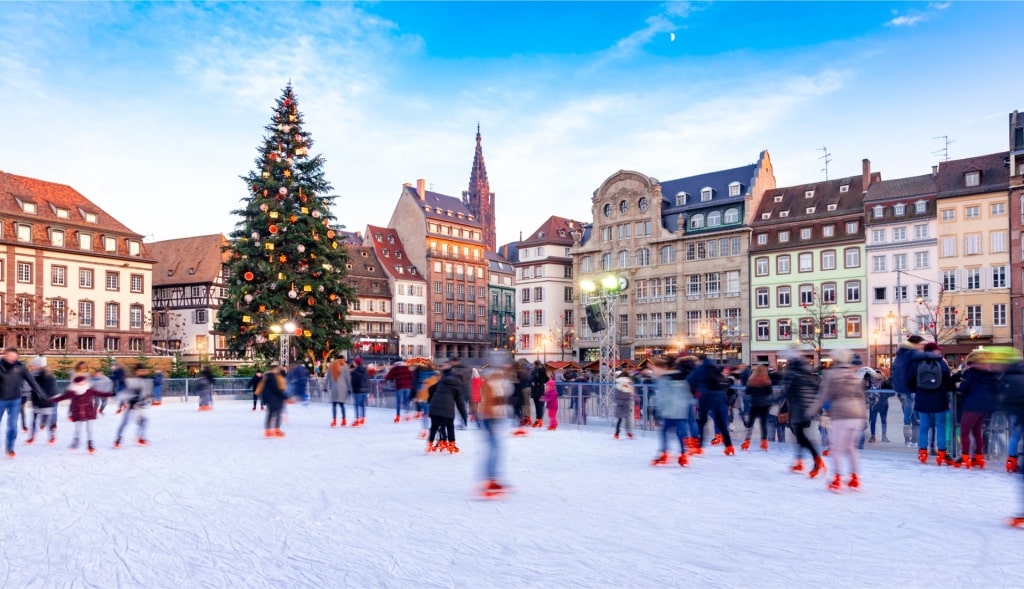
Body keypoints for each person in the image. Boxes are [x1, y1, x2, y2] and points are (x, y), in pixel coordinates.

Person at [808, 350, 867, 492]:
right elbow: (861, 397)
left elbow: (823, 396)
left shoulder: (831, 374)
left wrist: (810, 411)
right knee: (851, 447)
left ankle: (837, 479)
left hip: (841, 415)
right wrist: (864, 417)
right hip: (857, 415)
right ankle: (854, 478)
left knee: (836, 448)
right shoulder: (853, 375)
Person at [781, 350, 826, 478]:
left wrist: (773, 400)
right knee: (800, 435)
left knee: (801, 437)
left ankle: (817, 460)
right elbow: (818, 387)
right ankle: (800, 461)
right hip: (808, 409)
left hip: (798, 409)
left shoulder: (793, 374)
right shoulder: (808, 373)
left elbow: (787, 392)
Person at [48, 373, 113, 453]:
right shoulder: (72, 391)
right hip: (78, 412)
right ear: (76, 383)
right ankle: (76, 441)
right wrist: (51, 400)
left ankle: (90, 443)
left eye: (83, 381)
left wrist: (110, 394)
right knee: (77, 429)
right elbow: (62, 397)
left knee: (89, 429)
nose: (82, 383)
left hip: (88, 411)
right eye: (80, 382)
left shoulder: (89, 390)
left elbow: (99, 393)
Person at [910, 342, 952, 465]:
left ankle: (923, 452)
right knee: (940, 426)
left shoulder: (917, 363)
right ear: (933, 351)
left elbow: (911, 380)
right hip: (939, 399)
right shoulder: (941, 363)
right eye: (937, 350)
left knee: (924, 426)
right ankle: (942, 452)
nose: (939, 352)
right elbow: (948, 381)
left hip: (922, 399)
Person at [955, 350, 998, 469]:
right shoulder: (989, 372)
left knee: (964, 432)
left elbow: (963, 388)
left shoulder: (970, 372)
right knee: (977, 432)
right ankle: (979, 456)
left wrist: (958, 385)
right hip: (984, 406)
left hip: (972, 405)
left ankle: (965, 456)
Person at [0, 346, 45, 458]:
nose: (12, 358)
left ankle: (10, 448)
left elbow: (32, 381)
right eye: (10, 356)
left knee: (12, 426)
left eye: (14, 356)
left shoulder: (20, 367)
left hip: (15, 400)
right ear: (5, 355)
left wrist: (41, 393)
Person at [478, 355, 512, 498]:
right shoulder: (493, 380)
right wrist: (490, 415)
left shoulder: (498, 379)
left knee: (495, 449)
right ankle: (489, 480)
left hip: (493, 417)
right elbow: (489, 400)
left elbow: (502, 398)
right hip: (489, 418)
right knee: (494, 449)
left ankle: (492, 478)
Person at [650, 357, 694, 467]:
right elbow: (687, 393)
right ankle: (683, 455)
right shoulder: (682, 377)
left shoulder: (665, 379)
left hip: (669, 410)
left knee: (664, 431)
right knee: (680, 434)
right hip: (681, 410)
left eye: (655, 369)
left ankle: (664, 453)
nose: (653, 371)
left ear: (662, 368)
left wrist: (657, 411)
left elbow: (662, 396)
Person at [687, 355, 735, 455]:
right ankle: (729, 446)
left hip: (705, 397)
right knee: (721, 423)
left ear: (700, 361)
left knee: (702, 421)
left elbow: (689, 381)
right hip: (719, 397)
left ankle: (699, 447)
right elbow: (722, 381)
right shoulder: (714, 368)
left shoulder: (699, 369)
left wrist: (695, 390)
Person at [426, 360, 468, 453]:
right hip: (448, 409)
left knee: (434, 427)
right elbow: (460, 403)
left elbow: (430, 388)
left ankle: (429, 446)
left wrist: (430, 400)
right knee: (450, 426)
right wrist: (464, 416)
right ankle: (452, 445)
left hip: (434, 407)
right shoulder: (458, 387)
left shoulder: (442, 381)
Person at [893, 335, 925, 447]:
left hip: (902, 389)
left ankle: (909, 440)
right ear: (915, 344)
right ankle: (914, 441)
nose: (922, 347)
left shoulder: (901, 354)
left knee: (911, 416)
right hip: (911, 388)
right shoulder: (912, 353)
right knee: (917, 417)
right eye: (921, 344)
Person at [114, 363, 154, 447]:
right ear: (136, 372)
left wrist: (148, 398)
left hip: (140, 407)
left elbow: (146, 394)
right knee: (125, 423)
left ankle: (140, 437)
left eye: (144, 371)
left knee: (144, 421)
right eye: (140, 371)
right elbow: (124, 390)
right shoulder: (133, 381)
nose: (143, 372)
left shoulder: (145, 381)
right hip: (132, 407)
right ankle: (118, 439)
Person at [740, 364, 773, 451]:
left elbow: (747, 392)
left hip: (754, 404)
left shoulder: (752, 380)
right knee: (763, 424)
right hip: (765, 405)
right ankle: (764, 443)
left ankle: (747, 441)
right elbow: (770, 392)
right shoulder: (767, 381)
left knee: (750, 423)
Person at [26, 357, 58, 445]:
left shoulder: (48, 375)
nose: (31, 367)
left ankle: (52, 436)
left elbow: (51, 390)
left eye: (33, 366)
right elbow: (32, 388)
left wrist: (45, 399)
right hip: (36, 401)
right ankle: (32, 436)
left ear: (38, 366)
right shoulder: (32, 375)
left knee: (48, 419)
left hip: (46, 402)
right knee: (33, 420)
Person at [256, 363, 288, 437]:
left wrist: (257, 392)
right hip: (276, 397)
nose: (279, 370)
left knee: (270, 414)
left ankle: (268, 431)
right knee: (277, 414)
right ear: (274, 369)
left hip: (270, 398)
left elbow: (261, 385)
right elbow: (277, 388)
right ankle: (276, 431)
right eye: (277, 368)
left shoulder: (267, 376)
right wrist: (285, 397)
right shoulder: (273, 377)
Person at [327, 353, 352, 427]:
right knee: (342, 405)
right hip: (343, 388)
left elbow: (327, 377)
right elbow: (348, 379)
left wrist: (325, 386)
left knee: (334, 405)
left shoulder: (331, 366)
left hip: (334, 388)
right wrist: (350, 388)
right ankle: (344, 420)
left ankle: (334, 421)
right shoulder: (345, 367)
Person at [612, 375, 635, 440]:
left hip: (626, 406)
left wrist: (629, 402)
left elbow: (630, 397)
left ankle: (628, 432)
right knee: (619, 420)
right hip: (620, 406)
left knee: (628, 419)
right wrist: (621, 403)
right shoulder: (618, 389)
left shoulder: (628, 388)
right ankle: (617, 433)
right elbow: (615, 398)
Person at [350, 357, 369, 427]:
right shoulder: (365, 371)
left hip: (358, 390)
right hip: (365, 390)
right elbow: (367, 380)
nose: (353, 363)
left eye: (354, 362)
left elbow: (353, 382)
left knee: (357, 405)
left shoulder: (354, 372)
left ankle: (357, 419)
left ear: (356, 363)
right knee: (362, 404)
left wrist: (351, 387)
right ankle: (363, 418)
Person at [530, 360, 549, 428]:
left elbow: (532, 379)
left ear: (535, 364)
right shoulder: (543, 370)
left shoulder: (535, 370)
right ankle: (539, 420)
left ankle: (538, 420)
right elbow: (547, 379)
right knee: (540, 406)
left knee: (537, 406)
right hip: (541, 389)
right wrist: (541, 382)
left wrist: (534, 382)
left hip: (536, 389)